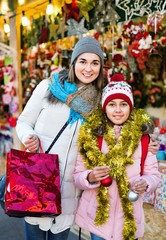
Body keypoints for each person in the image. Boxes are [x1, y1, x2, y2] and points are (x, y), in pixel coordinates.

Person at [15, 37, 159, 240]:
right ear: (73, 62)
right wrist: (29, 136)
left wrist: (148, 141)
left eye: (95, 62)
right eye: (83, 61)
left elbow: (124, 125)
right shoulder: (47, 87)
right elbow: (23, 122)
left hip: (70, 190)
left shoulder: (103, 101)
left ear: (101, 67)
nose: (88, 68)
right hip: (38, 178)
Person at [73, 74, 161, 240]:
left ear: (131, 107)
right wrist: (90, 176)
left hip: (128, 221)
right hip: (98, 220)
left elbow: (154, 175)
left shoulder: (143, 139)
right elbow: (77, 176)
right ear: (105, 108)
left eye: (124, 104)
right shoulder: (91, 137)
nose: (118, 109)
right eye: (112, 104)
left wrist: (146, 182)